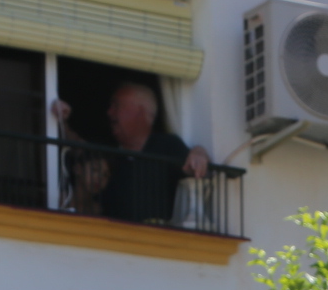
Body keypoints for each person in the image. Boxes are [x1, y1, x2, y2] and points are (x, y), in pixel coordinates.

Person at [52, 81, 211, 224]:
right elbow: (74, 143)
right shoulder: (108, 149)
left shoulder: (166, 146)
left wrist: (199, 152)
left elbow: (197, 169)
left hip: (153, 243)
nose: (109, 112)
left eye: (116, 106)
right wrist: (60, 118)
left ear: (139, 111)